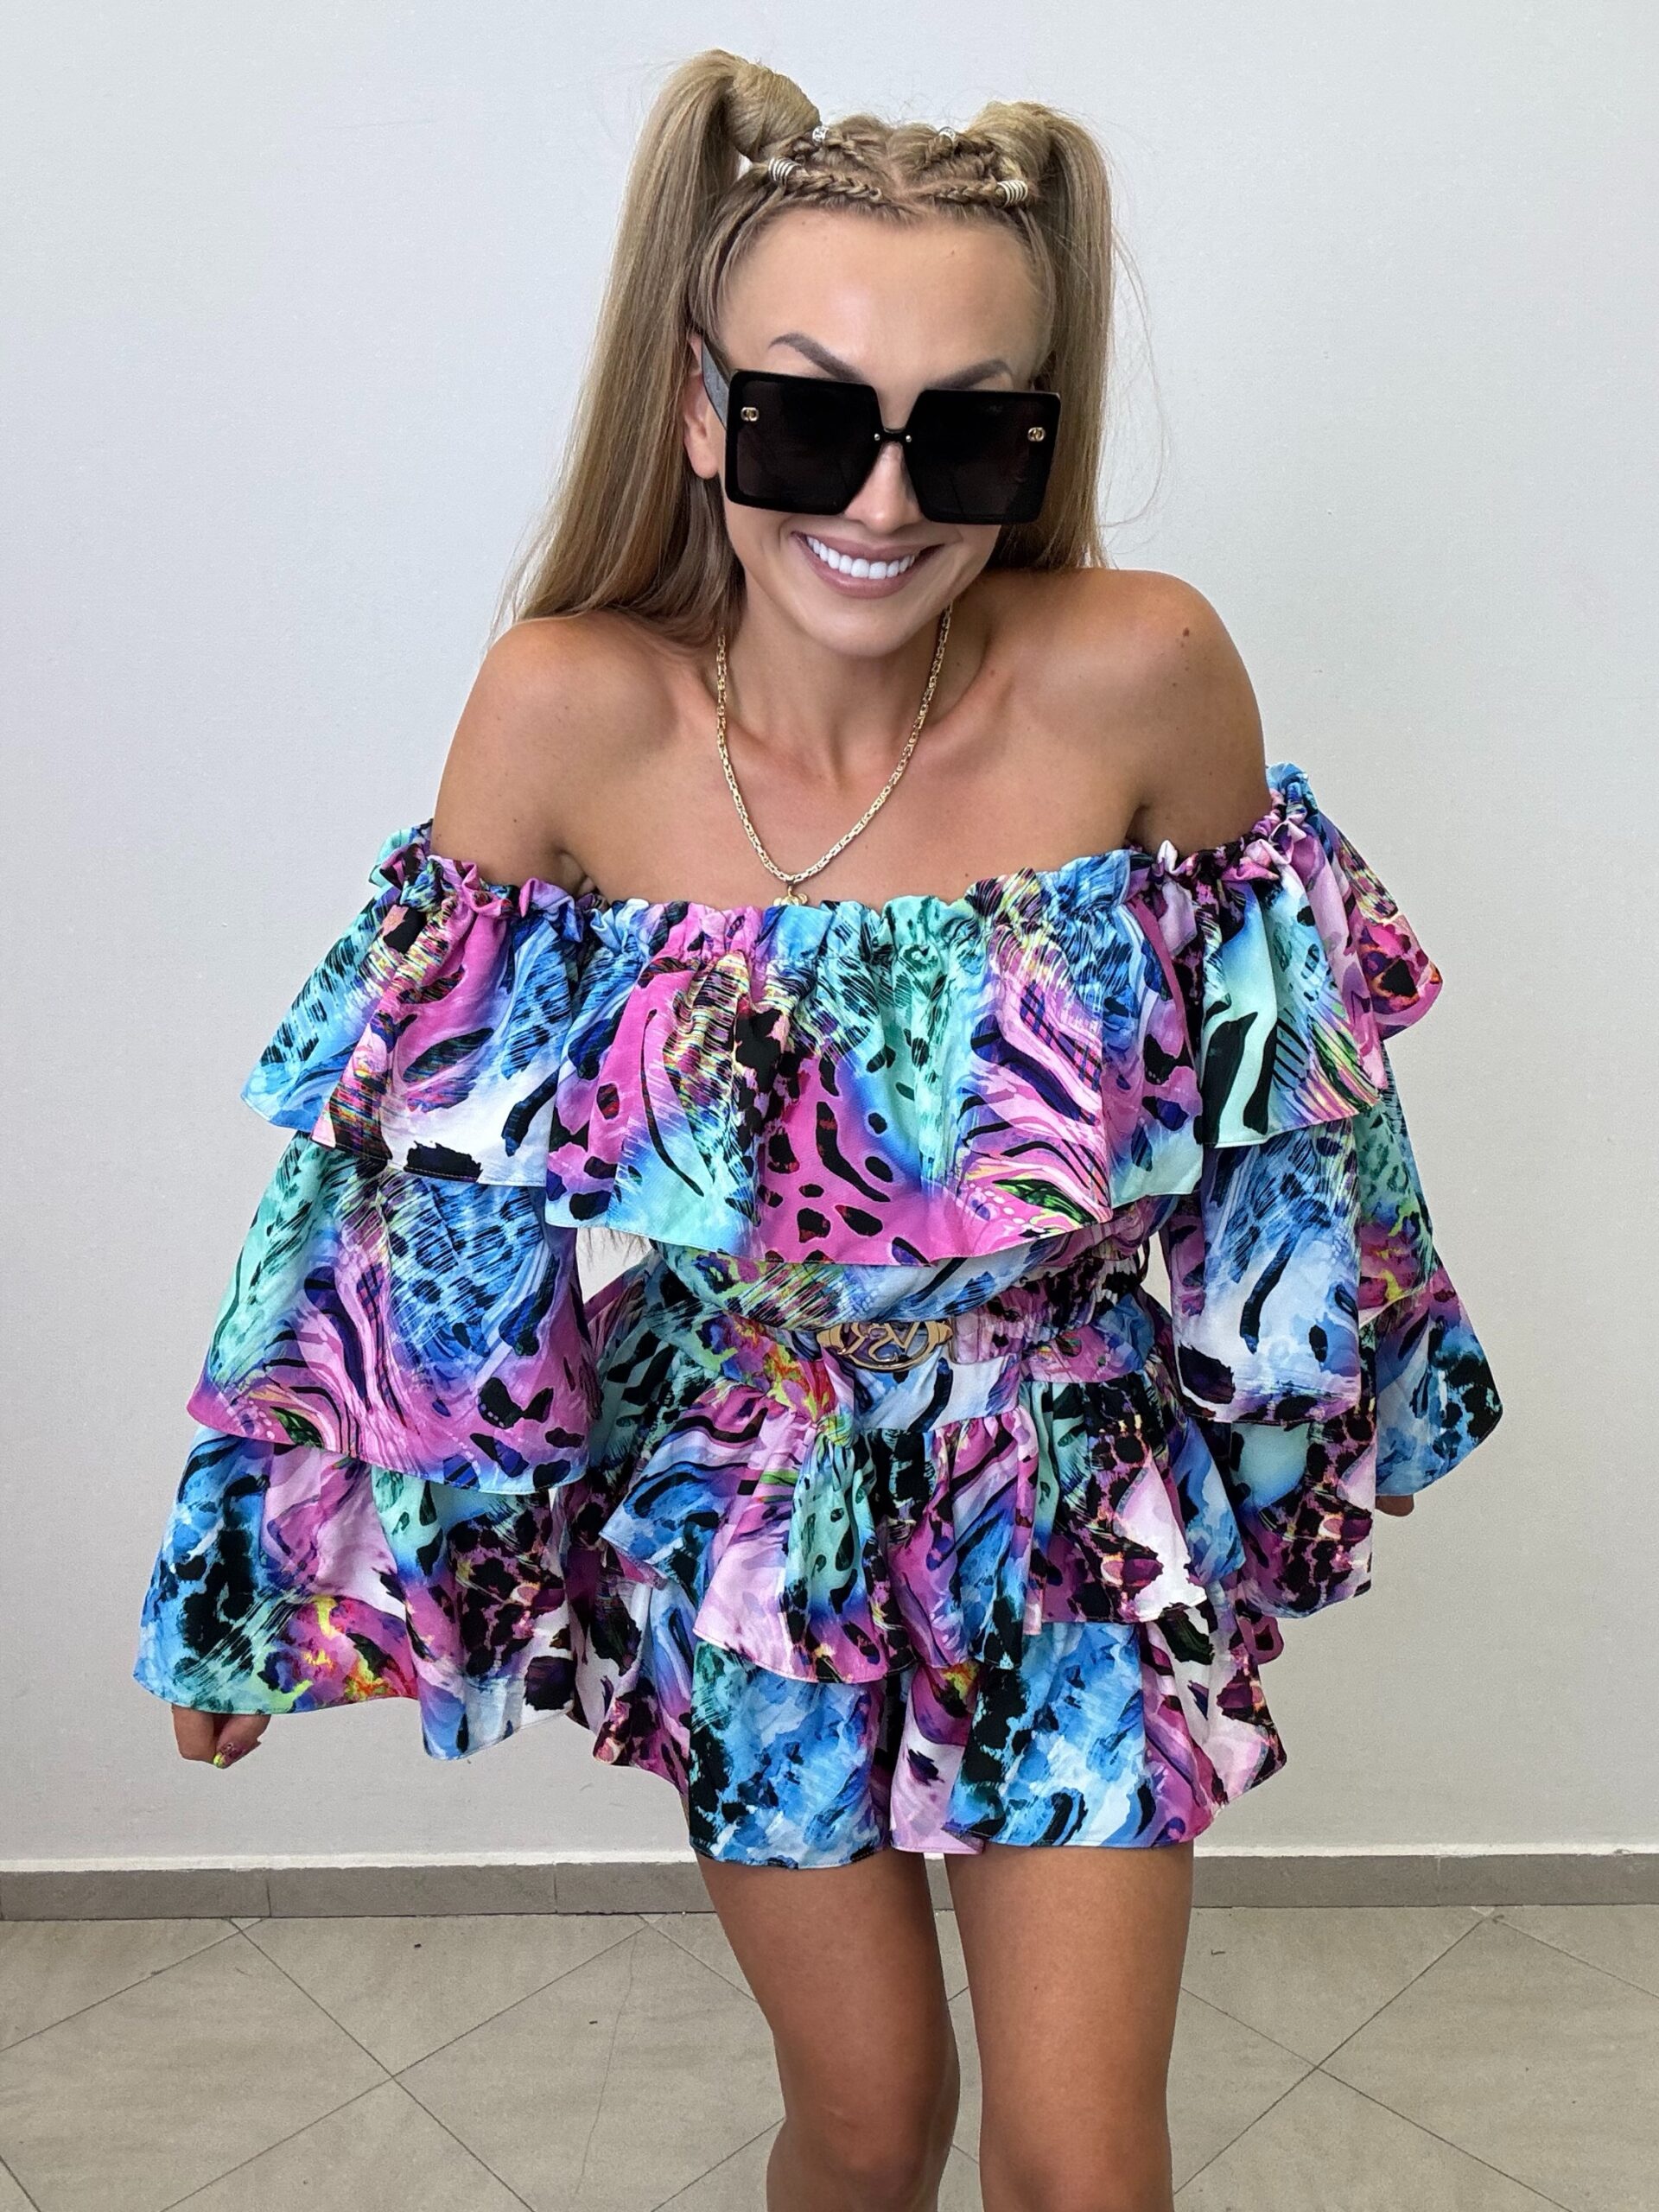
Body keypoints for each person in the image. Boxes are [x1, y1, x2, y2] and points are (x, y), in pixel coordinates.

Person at [131, 49, 1504, 2212]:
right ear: (700, 411)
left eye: (967, 430)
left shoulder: (1145, 675)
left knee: (1086, 2167)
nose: (881, 500)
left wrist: (1341, 1407)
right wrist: (284, 1564)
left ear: (1036, 437)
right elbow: (415, 1200)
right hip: (744, 1509)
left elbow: (1293, 1115)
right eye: (805, 417)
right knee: (868, 2125)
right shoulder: (566, 713)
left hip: (1068, 1482)